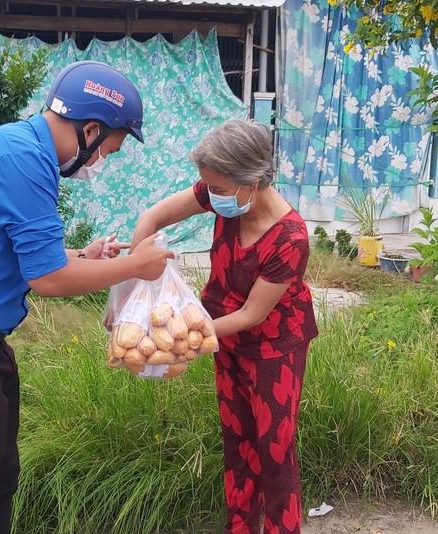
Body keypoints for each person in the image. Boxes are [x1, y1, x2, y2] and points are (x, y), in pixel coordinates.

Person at [0, 61, 174, 534]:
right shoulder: (20, 158)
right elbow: (49, 280)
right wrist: (132, 266)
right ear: (89, 130)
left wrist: (87, 254)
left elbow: (25, 253)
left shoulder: (24, 151)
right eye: (110, 149)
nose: (103, 162)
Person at [131, 118, 318, 534]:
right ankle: (240, 527)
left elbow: (253, 314)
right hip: (223, 337)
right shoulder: (225, 195)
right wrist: (135, 282)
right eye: (207, 188)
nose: (211, 197)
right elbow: (153, 217)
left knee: (274, 449)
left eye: (217, 188)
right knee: (238, 441)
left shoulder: (291, 237)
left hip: (274, 349)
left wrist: (183, 335)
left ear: (251, 181)